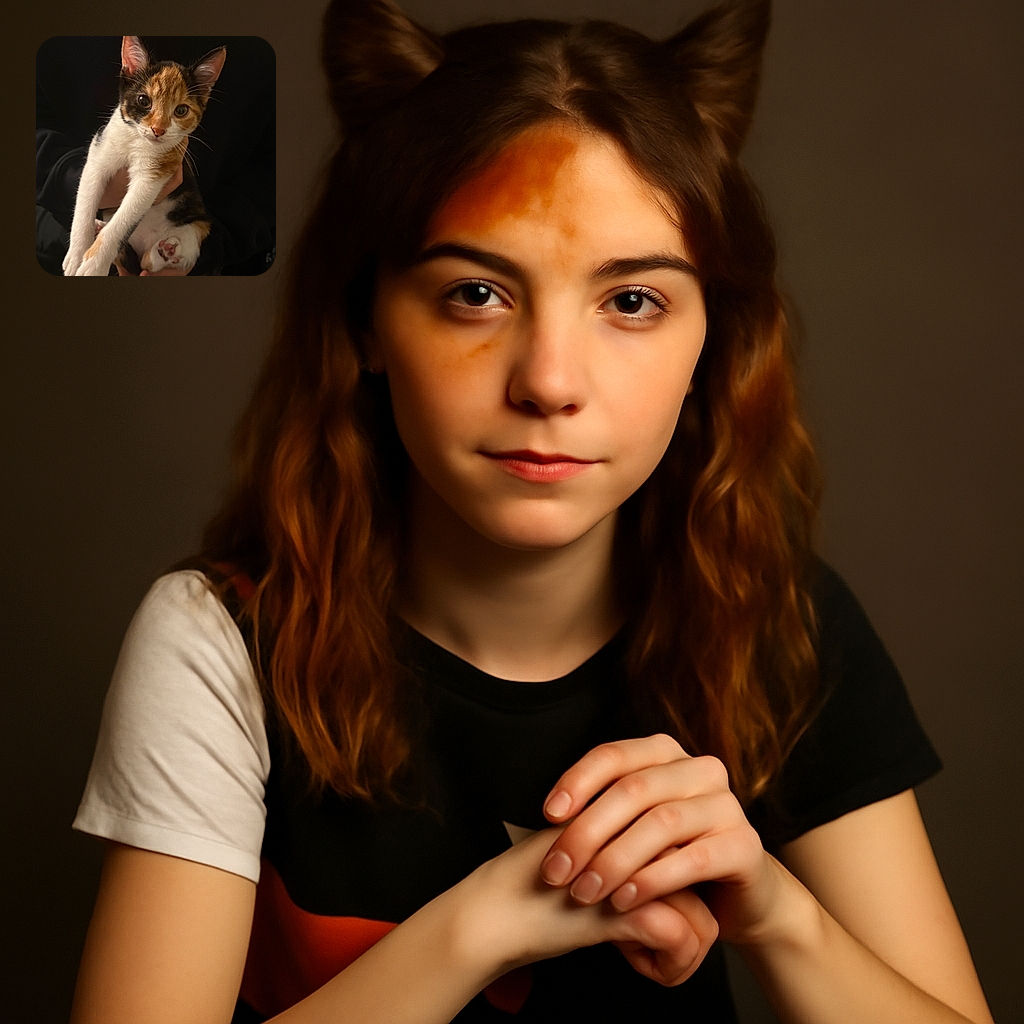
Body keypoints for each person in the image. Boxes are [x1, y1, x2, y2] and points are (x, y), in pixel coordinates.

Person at [68, 0, 994, 1021]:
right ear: (366, 318)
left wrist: (778, 914)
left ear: (711, 345)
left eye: (631, 301)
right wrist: (492, 920)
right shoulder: (224, 642)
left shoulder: (777, 620)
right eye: (476, 293)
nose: (551, 382)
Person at [36, 35, 276, 276]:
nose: (158, 127)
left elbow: (268, 173)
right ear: (128, 72)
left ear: (204, 94)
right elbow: (92, 171)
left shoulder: (257, 57)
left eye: (180, 110)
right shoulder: (115, 124)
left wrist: (212, 251)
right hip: (55, 238)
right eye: (144, 101)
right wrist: (81, 241)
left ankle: (155, 256)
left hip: (195, 244)